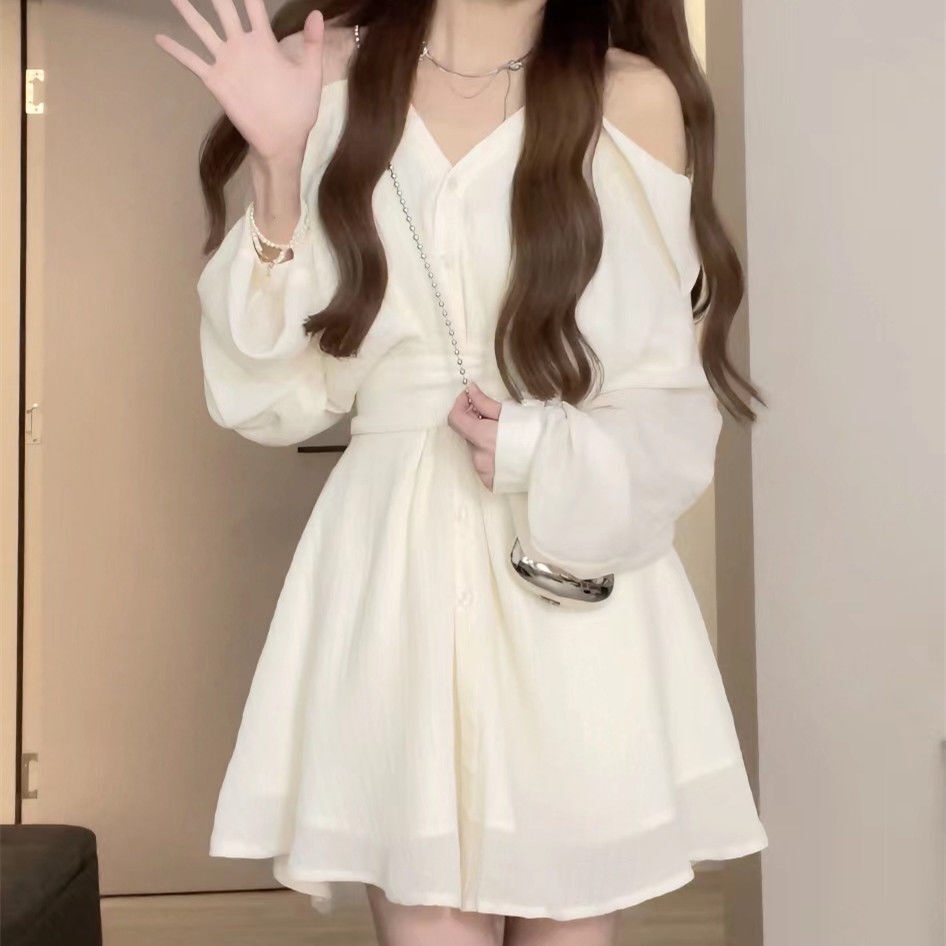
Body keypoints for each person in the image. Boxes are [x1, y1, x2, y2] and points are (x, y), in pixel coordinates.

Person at [155, 1, 769, 943]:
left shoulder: (632, 97)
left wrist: (535, 449)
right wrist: (276, 168)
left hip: (565, 571)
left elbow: (666, 405)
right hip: (394, 571)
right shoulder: (322, 73)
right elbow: (272, 398)